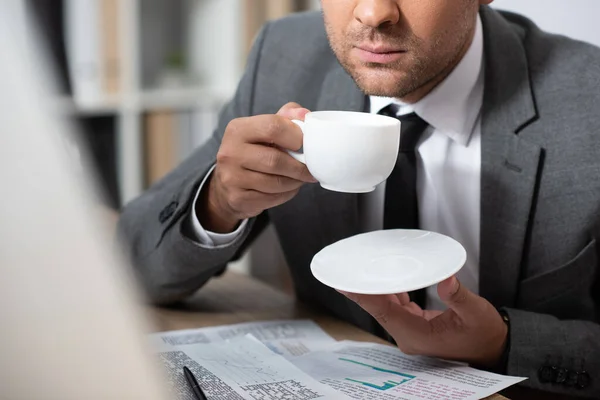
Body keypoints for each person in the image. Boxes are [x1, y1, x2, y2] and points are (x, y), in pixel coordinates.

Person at [118, 1, 600, 397]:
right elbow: (131, 265)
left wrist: (506, 342)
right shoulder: (285, 54)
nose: (372, 13)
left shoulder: (587, 98)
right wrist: (220, 203)